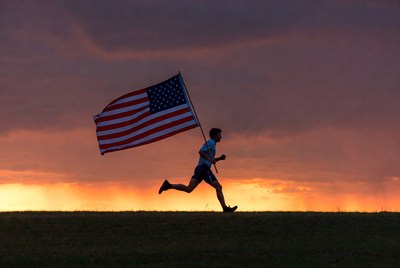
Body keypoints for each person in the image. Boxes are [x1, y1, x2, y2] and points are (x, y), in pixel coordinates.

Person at [158, 128, 237, 213]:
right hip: (204, 168)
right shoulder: (211, 143)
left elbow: (211, 159)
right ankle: (225, 208)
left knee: (189, 189)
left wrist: (220, 158)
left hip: (200, 168)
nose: (221, 137)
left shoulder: (212, 144)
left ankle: (168, 185)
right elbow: (200, 152)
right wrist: (210, 160)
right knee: (218, 187)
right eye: (219, 135)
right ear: (214, 136)